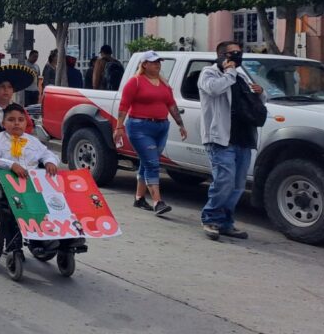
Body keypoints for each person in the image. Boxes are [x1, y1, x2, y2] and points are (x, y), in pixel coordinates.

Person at [198, 41, 266, 241]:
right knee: (224, 181)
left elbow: (256, 101)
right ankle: (210, 218)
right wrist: (230, 73)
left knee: (237, 185)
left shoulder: (242, 74)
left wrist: (261, 92)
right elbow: (213, 89)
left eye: (239, 52)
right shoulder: (208, 73)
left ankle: (226, 222)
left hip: (243, 137)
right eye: (233, 53)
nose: (237, 56)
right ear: (221, 56)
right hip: (220, 138)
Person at [0, 103, 67, 253]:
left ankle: (58, 240)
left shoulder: (32, 141)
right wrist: (11, 165)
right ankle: (16, 245)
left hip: (32, 184)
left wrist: (49, 162)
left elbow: (48, 154)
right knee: (13, 208)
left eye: (21, 120)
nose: (16, 123)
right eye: (11, 119)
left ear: (26, 122)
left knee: (54, 202)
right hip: (6, 184)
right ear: (3, 123)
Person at [113, 51, 187, 216]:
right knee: (153, 163)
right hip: (139, 127)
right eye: (153, 62)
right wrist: (119, 127)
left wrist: (180, 124)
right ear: (144, 64)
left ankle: (139, 198)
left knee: (147, 162)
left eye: (159, 62)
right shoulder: (135, 82)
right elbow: (124, 106)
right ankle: (157, 202)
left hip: (161, 127)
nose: (157, 64)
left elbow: (171, 104)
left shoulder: (163, 83)